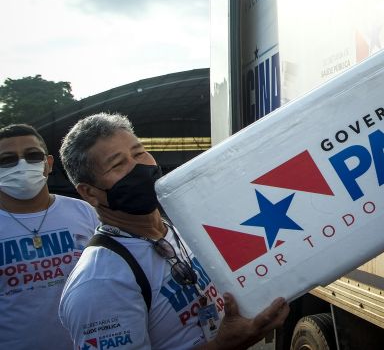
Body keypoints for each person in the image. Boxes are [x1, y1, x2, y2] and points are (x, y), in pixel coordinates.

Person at [58, 113, 289, 349]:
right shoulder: (100, 283)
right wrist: (223, 345)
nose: (138, 166)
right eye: (118, 164)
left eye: (139, 153)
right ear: (89, 192)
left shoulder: (177, 228)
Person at [0, 123, 99, 349]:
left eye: (33, 155)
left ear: (49, 164)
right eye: (7, 159)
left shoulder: (85, 212)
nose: (22, 165)